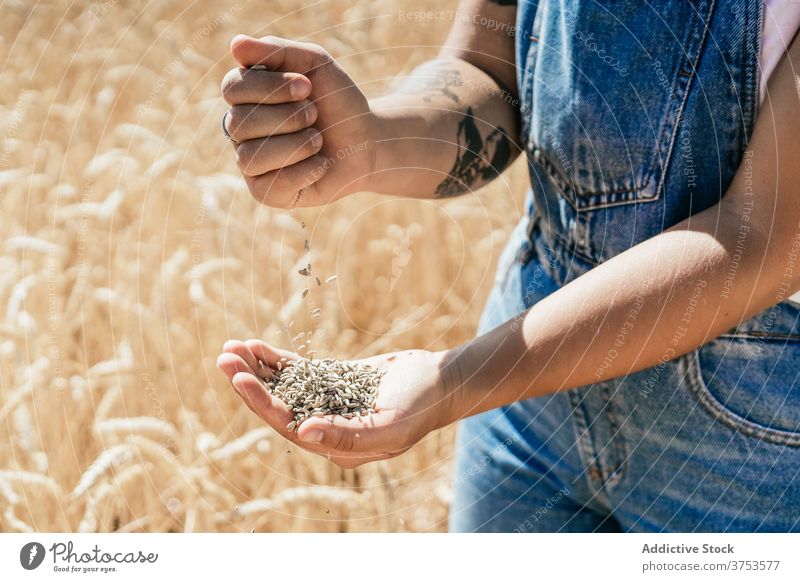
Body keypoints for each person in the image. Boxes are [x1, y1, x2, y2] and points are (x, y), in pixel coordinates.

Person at [216, 0, 800, 532]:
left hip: (749, 444)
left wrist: (454, 381)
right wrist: (372, 140)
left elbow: (763, 240)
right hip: (526, 412)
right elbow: (491, 73)